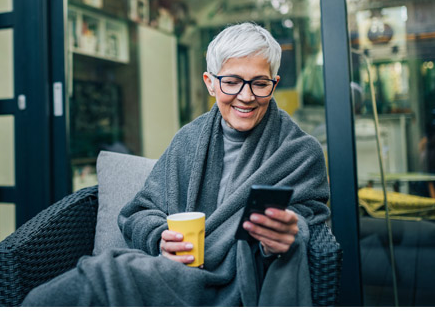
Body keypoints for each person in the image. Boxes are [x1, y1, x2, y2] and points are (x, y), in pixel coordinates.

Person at [23, 22, 330, 307]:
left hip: (239, 280)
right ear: (210, 83)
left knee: (103, 276)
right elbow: (139, 211)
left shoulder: (300, 152)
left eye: (259, 83)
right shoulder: (189, 140)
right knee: (72, 287)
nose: (246, 96)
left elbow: (309, 222)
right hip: (175, 267)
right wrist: (160, 238)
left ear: (273, 84)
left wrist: (286, 235)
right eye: (232, 82)